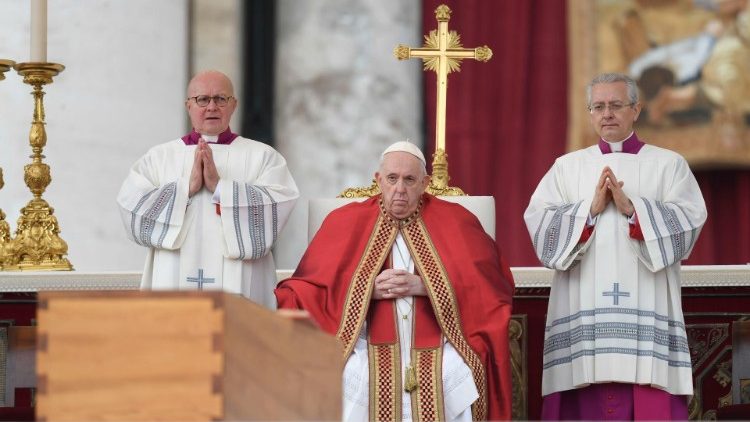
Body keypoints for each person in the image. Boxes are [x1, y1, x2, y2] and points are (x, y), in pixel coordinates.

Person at [275, 141, 514, 421]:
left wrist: (428, 287)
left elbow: (492, 288)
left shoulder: (458, 221)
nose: (399, 189)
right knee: (351, 372)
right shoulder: (344, 221)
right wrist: (365, 290)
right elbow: (305, 290)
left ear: (424, 183)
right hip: (365, 343)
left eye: (409, 180)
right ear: (378, 180)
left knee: (456, 370)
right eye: (392, 179)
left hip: (442, 343)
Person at [524, 73, 707, 420]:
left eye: (616, 105)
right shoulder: (567, 167)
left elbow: (689, 220)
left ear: (636, 109)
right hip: (583, 302)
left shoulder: (669, 165)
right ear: (590, 113)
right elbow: (541, 225)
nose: (607, 113)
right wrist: (588, 211)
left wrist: (632, 209)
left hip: (647, 303)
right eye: (598, 106)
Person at [117, 70, 298, 308]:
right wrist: (185, 189)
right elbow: (131, 207)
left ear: (234, 105)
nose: (212, 107)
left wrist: (221, 188)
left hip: (240, 284)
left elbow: (278, 204)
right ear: (188, 106)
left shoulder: (263, 156)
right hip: (172, 279)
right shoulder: (159, 157)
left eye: (221, 99)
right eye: (202, 99)